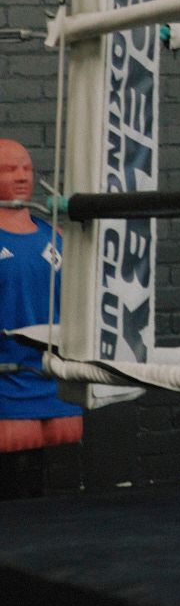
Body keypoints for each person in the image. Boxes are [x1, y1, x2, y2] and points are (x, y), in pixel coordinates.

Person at [0, 138, 82, 498]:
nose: (21, 176)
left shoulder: (58, 238)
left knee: (37, 499)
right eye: (8, 169)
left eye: (27, 168)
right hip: (5, 387)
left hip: (52, 382)